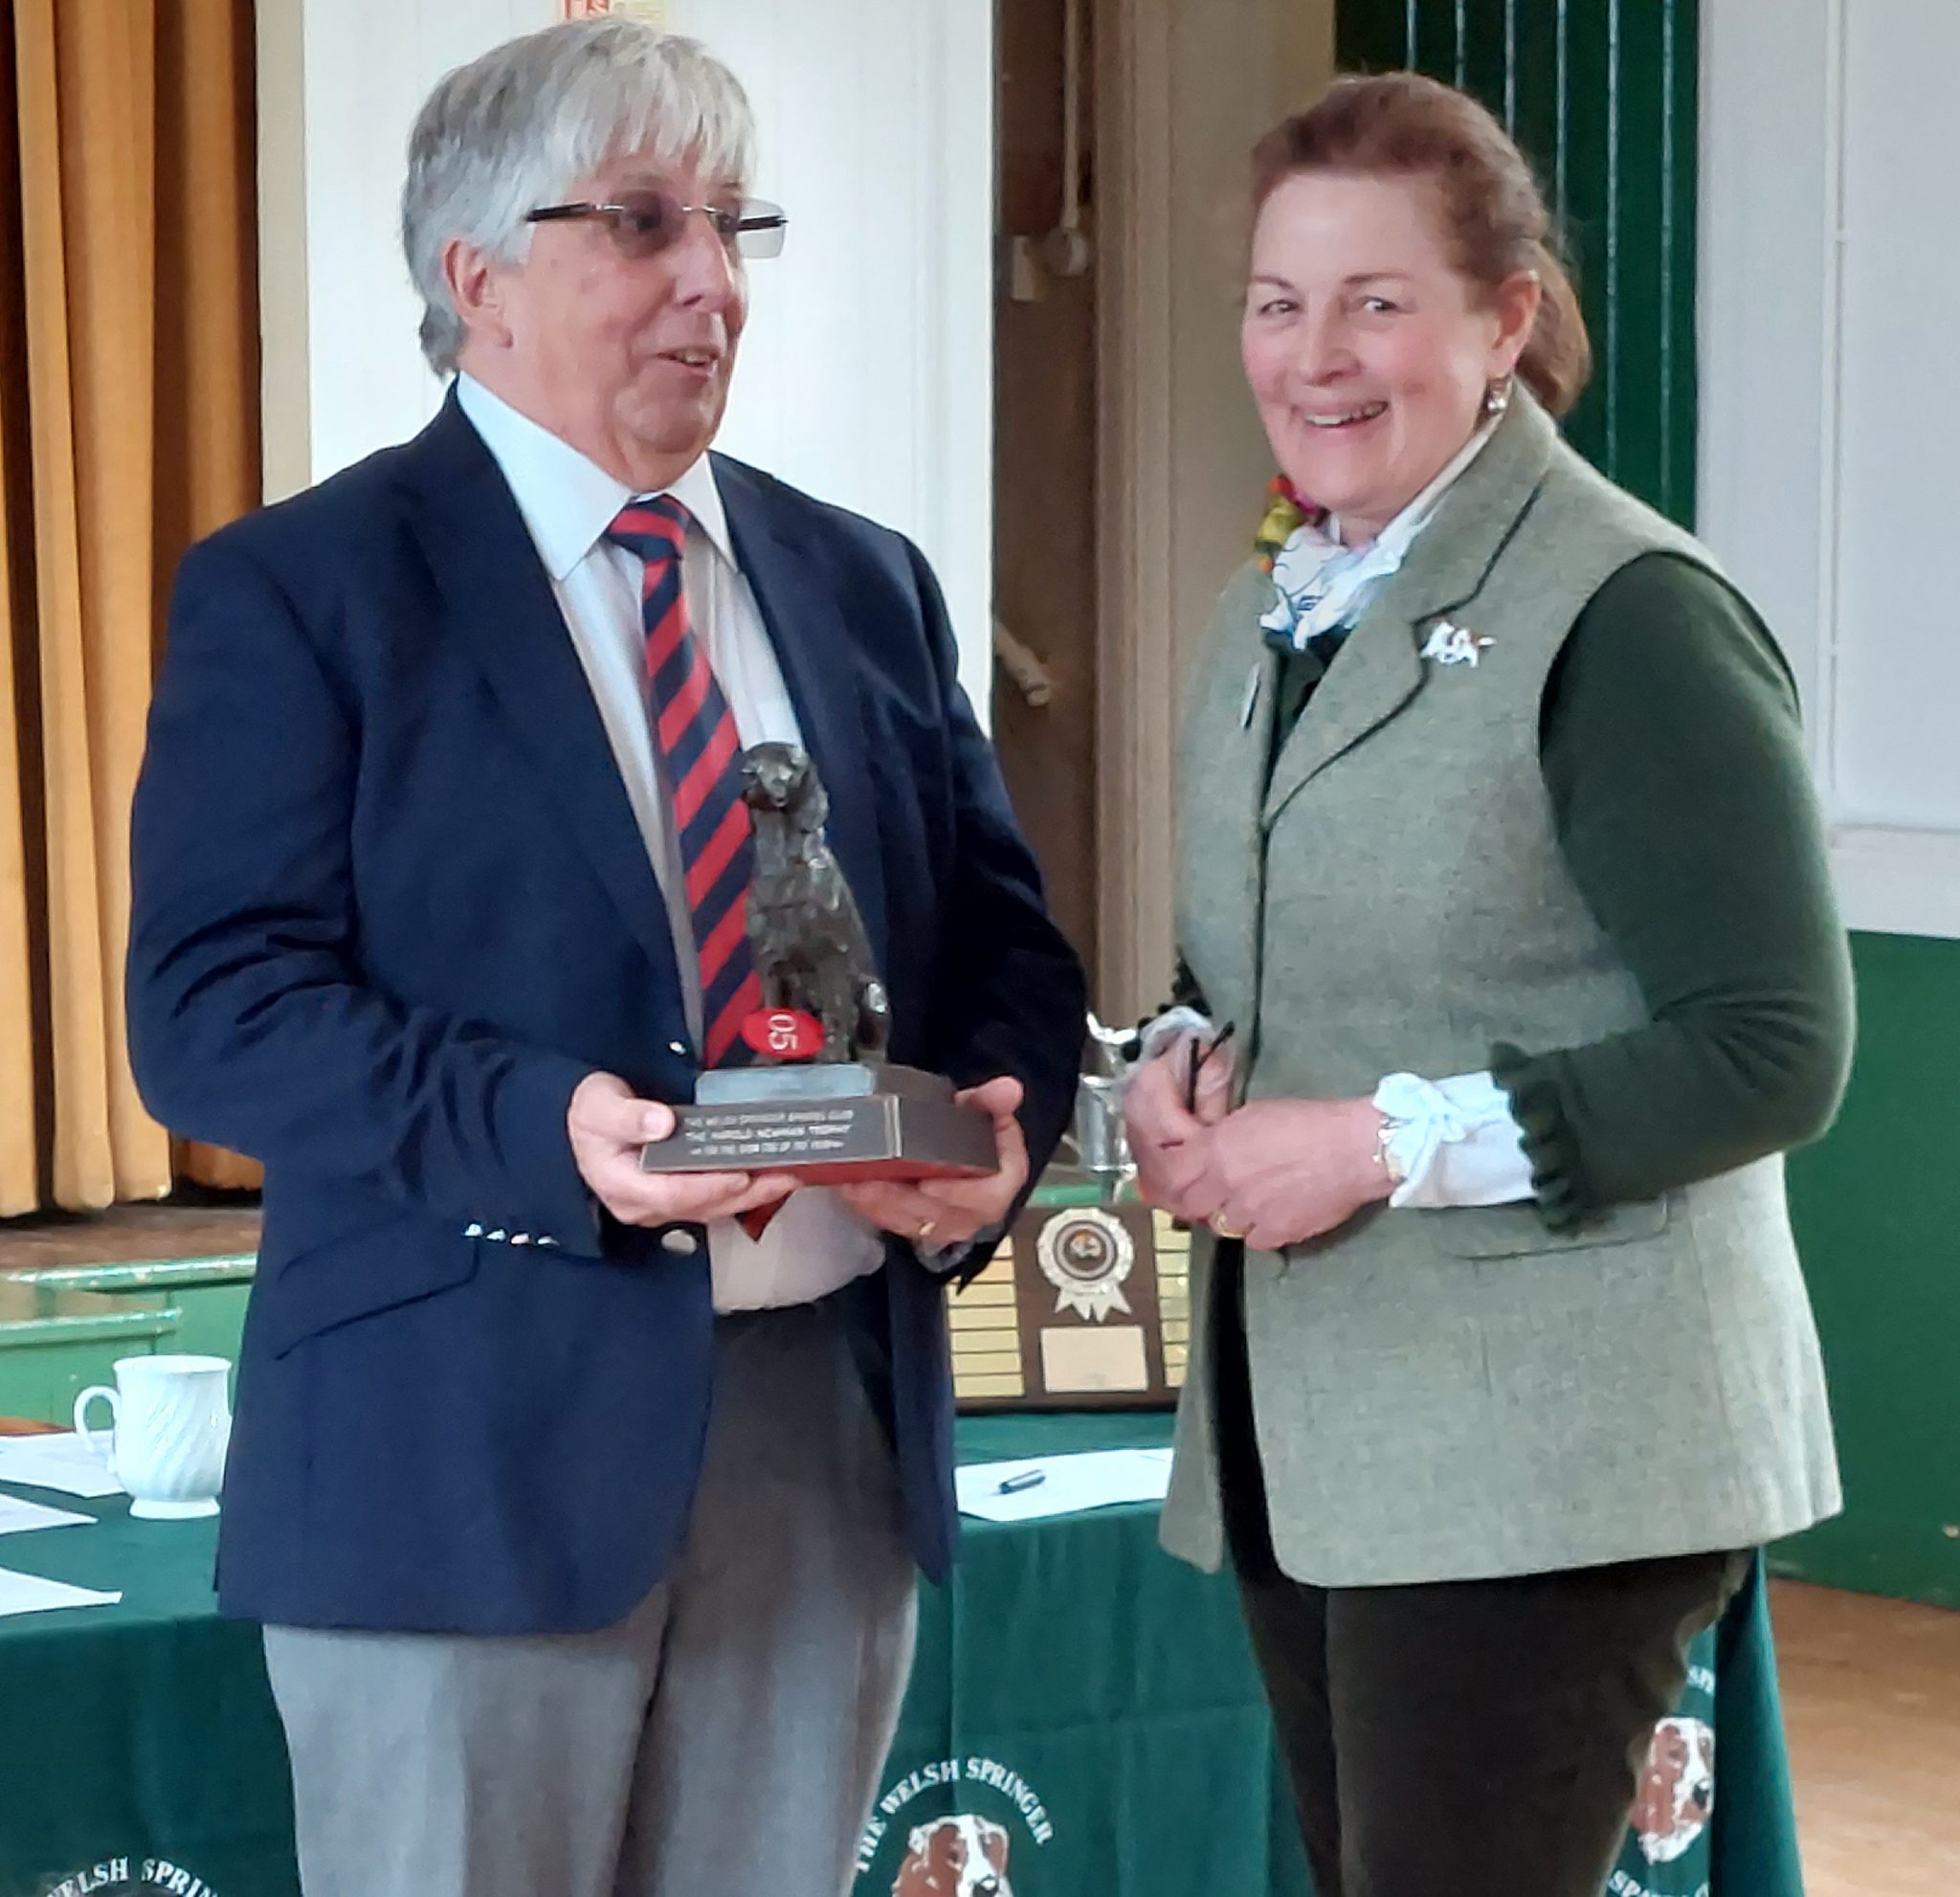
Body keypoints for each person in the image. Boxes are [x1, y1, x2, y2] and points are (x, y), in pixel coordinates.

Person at [126, 20, 1084, 1897]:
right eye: (644, 223)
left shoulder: (863, 580)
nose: (712, 281)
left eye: (735, 224)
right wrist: (540, 1125)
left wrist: (997, 1131)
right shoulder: (307, 587)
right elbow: (212, 1007)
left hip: (822, 1435)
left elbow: (1006, 947)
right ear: (475, 276)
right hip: (454, 1455)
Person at [1123, 71, 1852, 1897]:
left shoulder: (1631, 611)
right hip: (1328, 1437)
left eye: (1377, 302)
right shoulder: (1281, 603)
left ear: (1505, 319)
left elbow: (1774, 1048)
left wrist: (1374, 1144)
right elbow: (1272, 935)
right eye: (1279, 303)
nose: (1314, 357)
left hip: (1551, 1458)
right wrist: (1181, 1053)